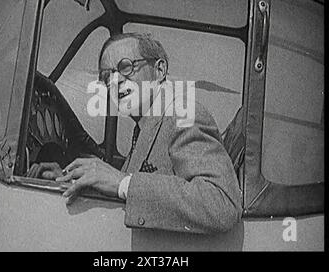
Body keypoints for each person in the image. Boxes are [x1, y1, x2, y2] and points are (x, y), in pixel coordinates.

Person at [53, 32, 243, 239]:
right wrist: (67, 177)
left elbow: (221, 203)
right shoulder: (146, 126)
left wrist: (122, 183)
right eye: (106, 76)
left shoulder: (183, 116)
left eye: (126, 67)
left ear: (159, 70)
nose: (115, 81)